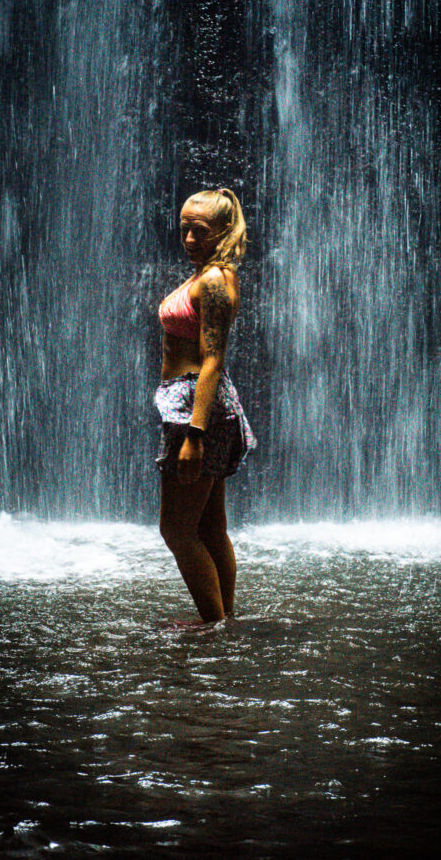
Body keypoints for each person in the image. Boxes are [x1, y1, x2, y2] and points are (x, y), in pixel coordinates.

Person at [155, 187, 256, 623]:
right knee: (210, 526)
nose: (190, 239)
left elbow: (215, 358)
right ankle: (223, 620)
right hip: (193, 402)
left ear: (224, 231)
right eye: (185, 230)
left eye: (201, 231)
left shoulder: (215, 280)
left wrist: (194, 434)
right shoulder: (205, 275)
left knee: (177, 529)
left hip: (199, 408)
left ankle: (212, 623)